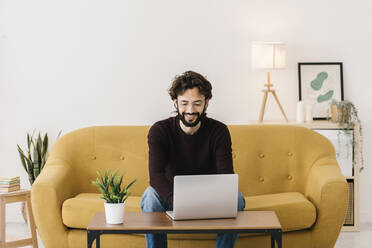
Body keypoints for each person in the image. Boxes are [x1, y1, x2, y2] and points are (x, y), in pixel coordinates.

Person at [141, 71, 245, 248]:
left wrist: (200, 200)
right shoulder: (159, 130)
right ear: (175, 102)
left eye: (197, 103)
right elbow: (156, 176)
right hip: (171, 196)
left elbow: (226, 176)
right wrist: (181, 202)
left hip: (210, 196)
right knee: (150, 197)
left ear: (206, 103)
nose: (190, 110)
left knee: (236, 198)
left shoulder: (219, 131)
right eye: (184, 103)